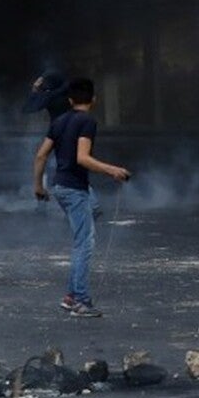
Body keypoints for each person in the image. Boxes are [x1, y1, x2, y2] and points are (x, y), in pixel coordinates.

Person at [32, 78, 130, 317]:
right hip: (74, 188)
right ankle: (80, 301)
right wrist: (112, 170)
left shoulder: (59, 121)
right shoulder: (87, 121)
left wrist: (38, 187)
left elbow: (41, 155)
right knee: (84, 244)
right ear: (94, 99)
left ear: (69, 100)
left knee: (84, 231)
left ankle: (71, 296)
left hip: (60, 186)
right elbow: (82, 158)